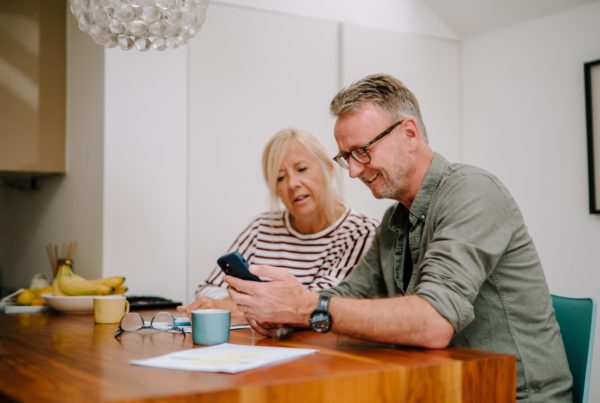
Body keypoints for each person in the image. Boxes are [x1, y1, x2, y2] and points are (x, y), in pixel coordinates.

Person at [224, 74, 573, 402]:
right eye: (347, 158)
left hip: (510, 394)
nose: (356, 170)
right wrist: (285, 315)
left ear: (409, 133)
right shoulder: (394, 220)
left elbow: (433, 322)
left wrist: (304, 307)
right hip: (442, 387)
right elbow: (347, 298)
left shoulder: (474, 192)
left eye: (362, 151)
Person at [178, 128, 379, 322]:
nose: (292, 184)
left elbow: (318, 307)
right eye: (280, 177)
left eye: (302, 169)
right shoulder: (262, 227)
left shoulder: (360, 234)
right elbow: (208, 289)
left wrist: (236, 307)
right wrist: (257, 309)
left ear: (328, 168)